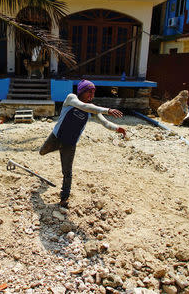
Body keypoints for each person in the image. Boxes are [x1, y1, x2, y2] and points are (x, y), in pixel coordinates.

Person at [39, 80, 126, 208]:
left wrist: (117, 128)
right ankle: (58, 148)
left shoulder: (92, 108)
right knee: (42, 152)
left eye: (93, 92)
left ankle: (64, 198)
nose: (91, 94)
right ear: (81, 91)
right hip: (56, 138)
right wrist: (108, 109)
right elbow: (83, 106)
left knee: (67, 172)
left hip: (70, 144)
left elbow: (104, 122)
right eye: (89, 91)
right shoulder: (71, 98)